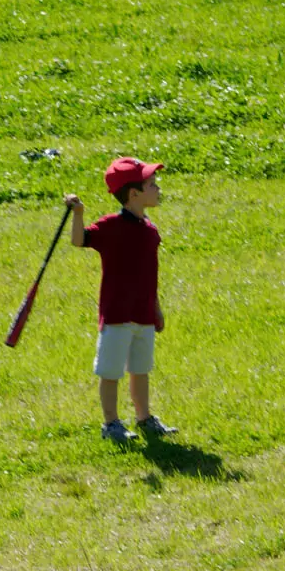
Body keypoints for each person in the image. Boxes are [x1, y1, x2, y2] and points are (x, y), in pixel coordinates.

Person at [64, 157, 179, 443]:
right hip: (117, 315)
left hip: (143, 314)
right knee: (111, 371)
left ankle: (144, 417)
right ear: (134, 194)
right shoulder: (111, 226)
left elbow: (150, 277)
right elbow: (80, 240)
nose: (157, 187)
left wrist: (156, 309)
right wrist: (78, 213)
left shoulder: (150, 231)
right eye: (151, 184)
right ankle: (111, 423)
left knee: (141, 370)